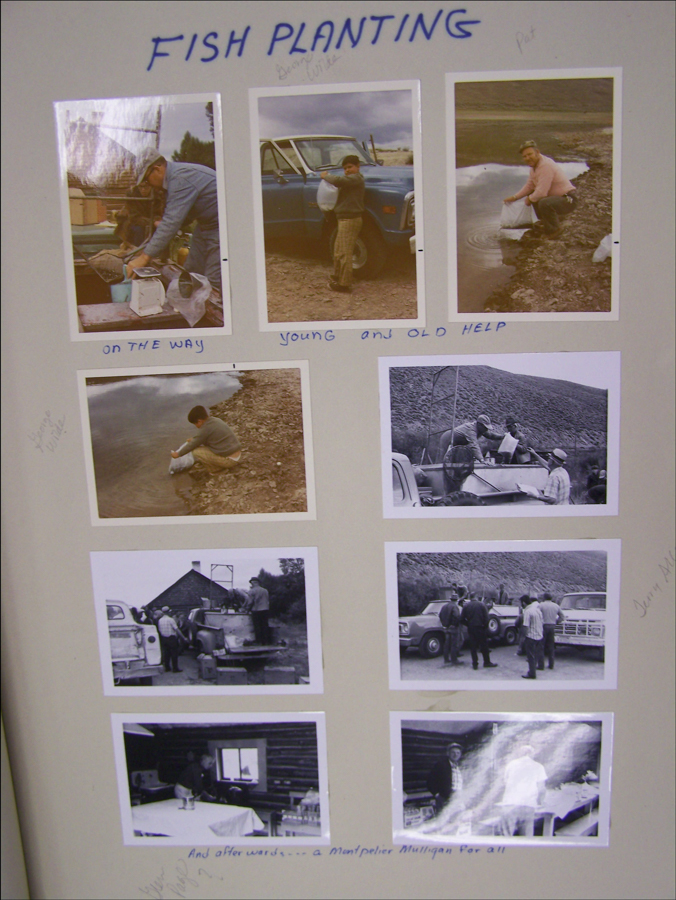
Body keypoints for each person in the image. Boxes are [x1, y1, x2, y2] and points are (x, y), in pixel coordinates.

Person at [125, 148, 222, 293]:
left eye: (146, 179)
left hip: (223, 227)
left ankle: (217, 314)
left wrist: (144, 257)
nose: (148, 184)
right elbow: (180, 217)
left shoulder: (179, 180)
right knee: (191, 272)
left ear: (156, 169)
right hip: (206, 225)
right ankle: (188, 310)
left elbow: (171, 222)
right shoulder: (173, 180)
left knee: (213, 280)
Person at [503, 140, 577, 238]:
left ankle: (555, 230)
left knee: (542, 201)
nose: (527, 158)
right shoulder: (534, 166)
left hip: (568, 200)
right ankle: (546, 222)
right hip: (557, 199)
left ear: (537, 152)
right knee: (534, 194)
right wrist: (514, 197)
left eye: (530, 154)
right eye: (524, 156)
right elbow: (530, 186)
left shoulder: (545, 166)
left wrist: (529, 199)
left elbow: (541, 193)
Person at [320, 154, 365, 293]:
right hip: (345, 219)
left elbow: (337, 180)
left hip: (350, 220)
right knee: (338, 250)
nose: (347, 170)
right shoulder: (351, 179)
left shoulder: (356, 178)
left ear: (358, 166)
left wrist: (325, 175)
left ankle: (344, 284)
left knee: (345, 252)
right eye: (345, 168)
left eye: (350, 167)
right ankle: (339, 275)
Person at [171, 405, 241, 475]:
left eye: (195, 424)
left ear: (200, 421)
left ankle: (217, 470)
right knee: (201, 447)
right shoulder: (214, 420)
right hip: (236, 454)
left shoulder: (205, 428)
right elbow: (204, 438)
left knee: (196, 451)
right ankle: (219, 465)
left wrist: (178, 454)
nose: (196, 426)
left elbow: (193, 444)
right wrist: (194, 440)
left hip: (230, 460)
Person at [499, 744, 548, 836]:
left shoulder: (511, 764)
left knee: (505, 838)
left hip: (510, 804)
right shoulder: (538, 766)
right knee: (526, 839)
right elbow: (541, 788)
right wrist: (541, 802)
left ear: (520, 754)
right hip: (528, 805)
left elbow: (505, 783)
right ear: (531, 754)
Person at [439, 415, 505, 465]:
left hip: (459, 442)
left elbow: (490, 435)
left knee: (457, 459)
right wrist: (482, 460)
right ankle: (436, 472)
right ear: (479, 424)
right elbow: (474, 445)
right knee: (440, 458)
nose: (486, 429)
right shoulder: (471, 430)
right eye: (485, 427)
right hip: (447, 437)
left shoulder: (482, 429)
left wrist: (502, 436)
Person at [460, 594, 498, 670]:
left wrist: (468, 624)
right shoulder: (481, 605)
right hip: (480, 627)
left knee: (473, 646)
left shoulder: (466, 606)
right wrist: (485, 626)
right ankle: (486, 662)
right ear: (476, 597)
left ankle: (475, 664)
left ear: (470, 598)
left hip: (471, 628)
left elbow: (461, 619)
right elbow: (487, 618)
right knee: (484, 645)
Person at [426, 743, 464, 816]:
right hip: (445, 799)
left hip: (459, 798)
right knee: (445, 820)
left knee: (458, 818)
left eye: (458, 753)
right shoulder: (441, 765)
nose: (455, 755)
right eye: (453, 752)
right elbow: (430, 781)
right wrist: (437, 795)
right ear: (448, 753)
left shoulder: (461, 766)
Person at [538, 593, 566, 670]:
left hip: (543, 626)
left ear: (544, 598)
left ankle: (541, 665)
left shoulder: (541, 605)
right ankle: (551, 664)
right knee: (551, 646)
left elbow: (537, 614)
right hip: (552, 626)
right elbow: (562, 616)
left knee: (541, 646)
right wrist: (556, 622)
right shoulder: (556, 606)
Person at [157, 606, 187, 674]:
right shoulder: (171, 620)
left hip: (164, 638)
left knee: (166, 653)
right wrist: (183, 637)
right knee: (174, 653)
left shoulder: (160, 620)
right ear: (168, 612)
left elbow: (159, 630)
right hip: (171, 638)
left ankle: (167, 667)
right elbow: (176, 629)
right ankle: (175, 668)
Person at [521, 596, 544, 679]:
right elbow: (542, 623)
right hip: (539, 636)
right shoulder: (538, 610)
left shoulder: (527, 611)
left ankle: (532, 673)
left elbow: (525, 626)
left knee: (530, 656)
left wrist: (524, 637)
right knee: (536, 655)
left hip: (531, 636)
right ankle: (534, 669)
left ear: (523, 603)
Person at [243, 577, 270, 644]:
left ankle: (259, 641)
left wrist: (246, 609)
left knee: (257, 626)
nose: (251, 585)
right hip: (265, 610)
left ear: (253, 582)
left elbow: (250, 602)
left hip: (256, 610)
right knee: (265, 625)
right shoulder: (265, 590)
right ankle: (266, 642)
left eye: (251, 583)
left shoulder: (252, 591)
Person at [439, 594, 464, 667]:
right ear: (456, 600)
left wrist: (444, 624)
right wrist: (455, 624)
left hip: (446, 627)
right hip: (453, 628)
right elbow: (457, 616)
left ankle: (446, 659)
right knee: (454, 644)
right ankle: (454, 659)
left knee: (446, 644)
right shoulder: (454, 606)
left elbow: (440, 615)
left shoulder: (444, 606)